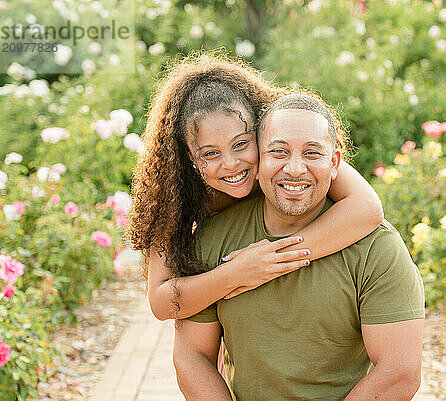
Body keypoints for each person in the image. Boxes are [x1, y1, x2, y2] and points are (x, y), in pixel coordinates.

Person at [175, 94, 426, 401]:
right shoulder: (214, 238)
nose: (294, 168)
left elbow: (400, 372)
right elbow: (192, 355)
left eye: (312, 153)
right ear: (257, 161)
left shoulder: (378, 248)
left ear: (334, 163)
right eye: (278, 152)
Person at [126, 52, 384, 325]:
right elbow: (160, 301)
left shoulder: (287, 149)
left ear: (261, 133)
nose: (231, 164)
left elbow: (367, 208)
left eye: (240, 144)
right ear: (190, 156)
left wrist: (272, 260)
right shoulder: (175, 194)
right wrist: (237, 273)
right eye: (210, 154)